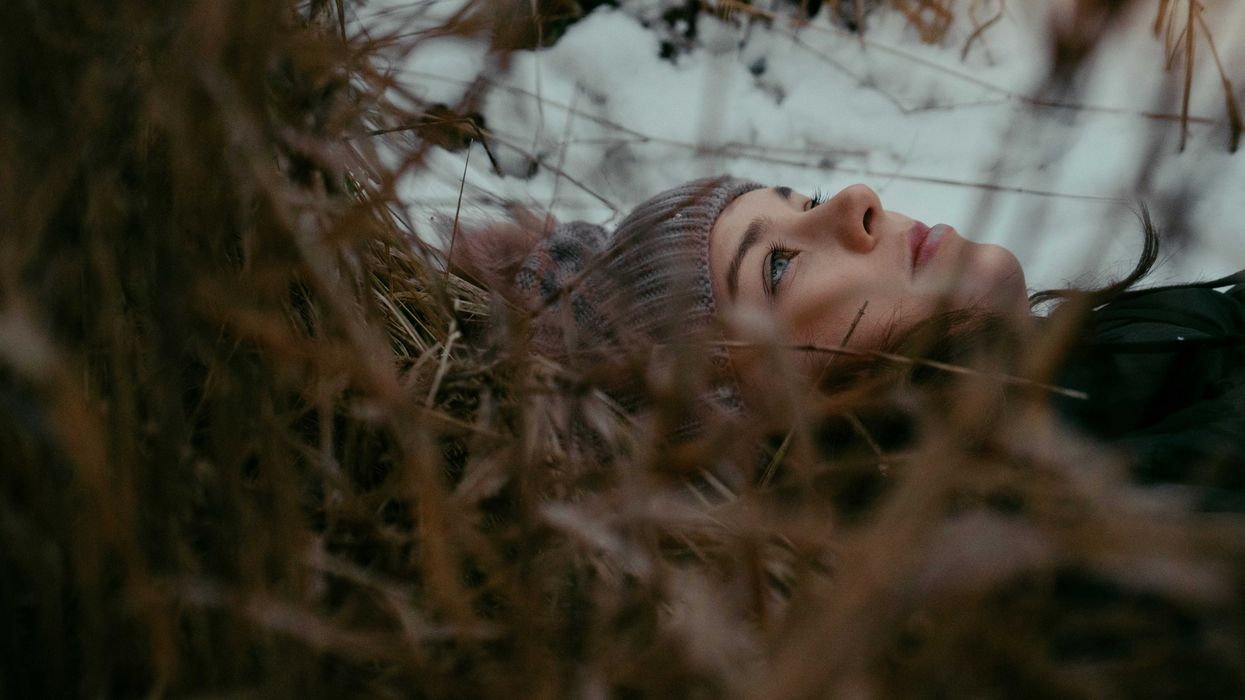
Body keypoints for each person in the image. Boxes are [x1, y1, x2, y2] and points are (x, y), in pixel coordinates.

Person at [452, 175, 1245, 507]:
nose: (856, 200)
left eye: (804, 198)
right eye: (779, 266)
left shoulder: (1121, 393)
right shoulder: (1081, 552)